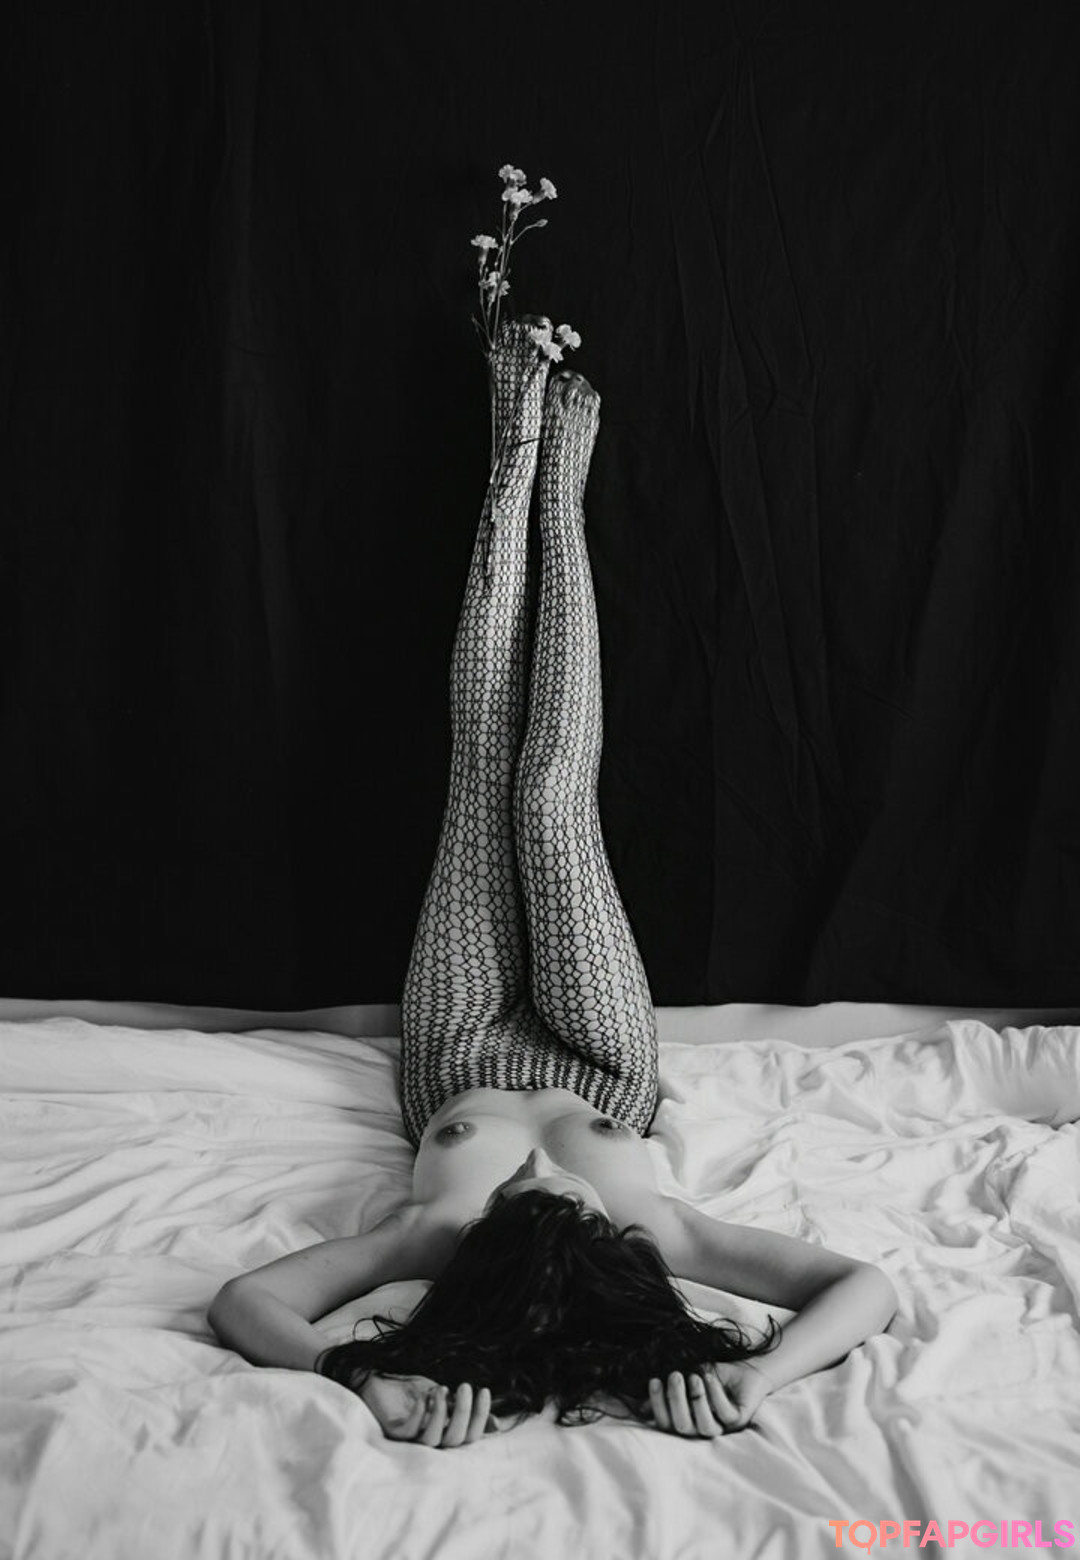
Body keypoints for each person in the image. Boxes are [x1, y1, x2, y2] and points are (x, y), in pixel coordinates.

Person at [208, 319, 898, 1448]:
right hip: (600, 1057)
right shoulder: (662, 1237)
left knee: (483, 758)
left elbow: (245, 1303)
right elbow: (864, 1286)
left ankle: (513, 453)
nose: (533, 1159)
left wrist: (355, 1374)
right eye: (557, 1185)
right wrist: (767, 1376)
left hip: (459, 1048)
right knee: (549, 797)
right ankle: (562, 492)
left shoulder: (430, 1242)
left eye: (512, 1189)